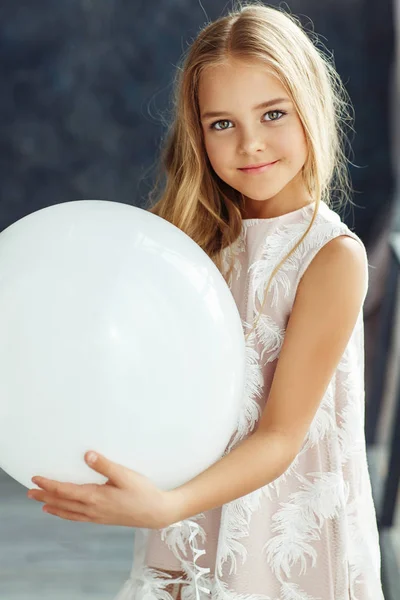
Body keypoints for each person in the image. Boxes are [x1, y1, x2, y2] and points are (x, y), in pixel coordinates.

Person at [26, 2, 384, 599]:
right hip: (189, 515)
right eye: (222, 124)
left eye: (273, 114)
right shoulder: (190, 243)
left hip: (279, 533)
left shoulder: (330, 257)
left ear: (310, 107)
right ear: (198, 132)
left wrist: (165, 504)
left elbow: (279, 436)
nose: (251, 144)